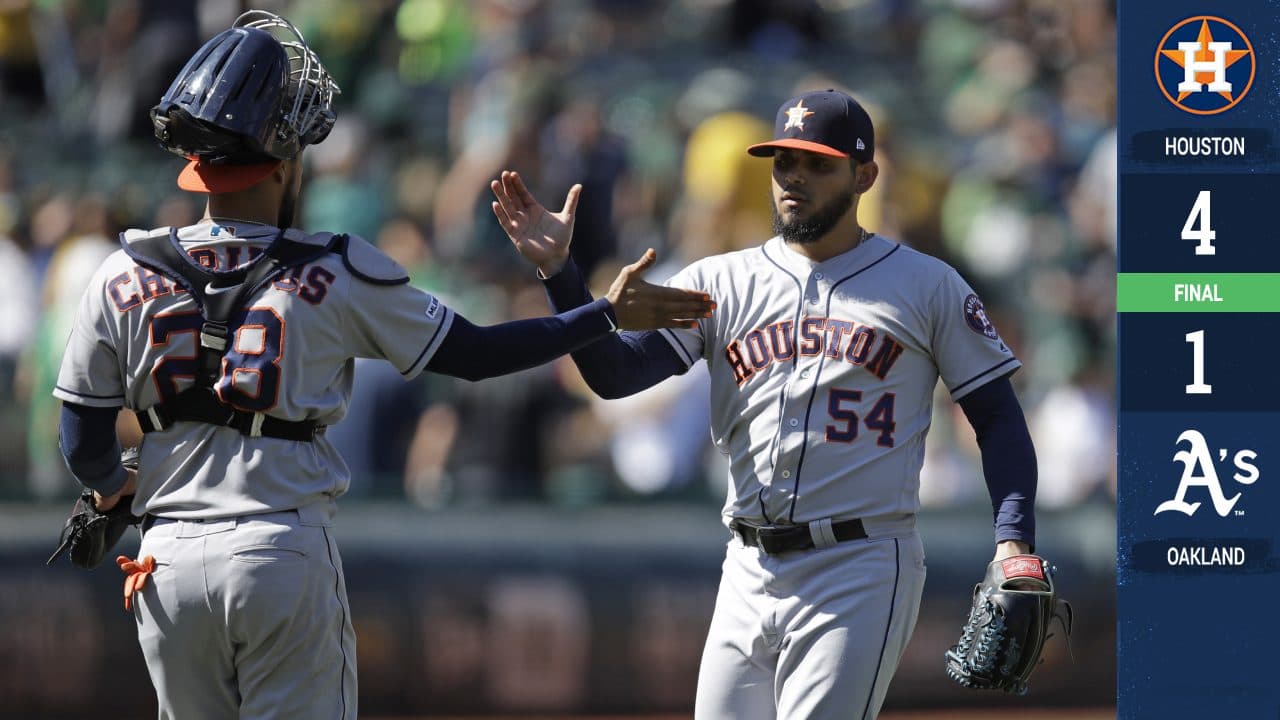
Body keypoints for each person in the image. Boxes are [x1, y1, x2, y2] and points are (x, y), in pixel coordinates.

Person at [51, 10, 712, 720]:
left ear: (196, 165)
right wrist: (601, 313)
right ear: (285, 161)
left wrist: (115, 489)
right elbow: (479, 356)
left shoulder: (123, 270)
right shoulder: (337, 270)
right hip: (280, 547)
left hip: (166, 559)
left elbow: (82, 442)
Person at [490, 88, 1038, 719]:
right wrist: (561, 275)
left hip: (859, 566)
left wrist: (1013, 540)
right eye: (784, 162)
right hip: (746, 567)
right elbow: (616, 377)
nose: (795, 179)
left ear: (865, 176)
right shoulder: (718, 281)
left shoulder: (926, 286)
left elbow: (997, 416)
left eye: (817, 164)